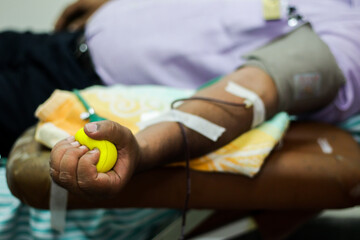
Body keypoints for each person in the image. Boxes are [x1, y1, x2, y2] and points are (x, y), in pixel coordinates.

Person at [2, 0, 360, 238]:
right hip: (60, 41)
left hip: (67, 84)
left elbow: (248, 94)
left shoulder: (350, 34)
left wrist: (141, 149)